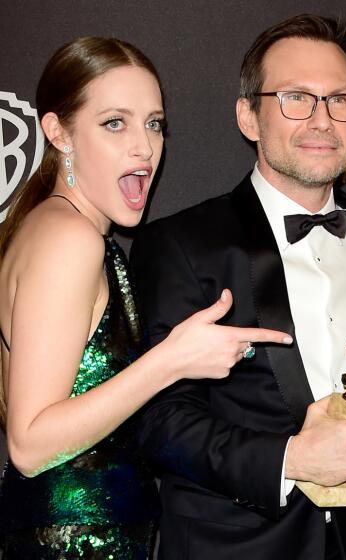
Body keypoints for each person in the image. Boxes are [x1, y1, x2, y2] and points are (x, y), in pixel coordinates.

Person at [0, 37, 290, 559]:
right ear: (58, 132)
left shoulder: (70, 230)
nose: (144, 146)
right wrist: (170, 361)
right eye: (115, 123)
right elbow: (30, 443)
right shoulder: (69, 238)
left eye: (153, 123)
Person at [130, 14, 346, 560]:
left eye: (341, 99)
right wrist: (290, 459)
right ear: (249, 116)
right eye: (295, 98)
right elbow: (157, 423)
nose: (322, 119)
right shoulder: (182, 244)